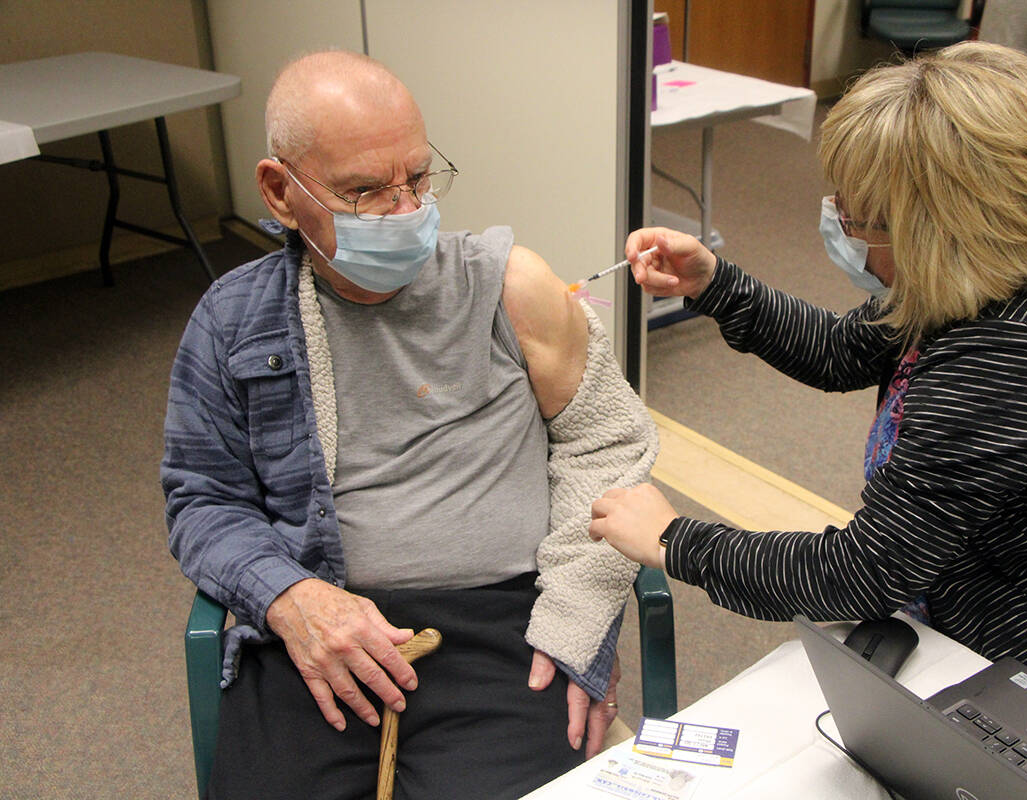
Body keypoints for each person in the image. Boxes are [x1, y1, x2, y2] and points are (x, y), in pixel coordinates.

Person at [590, 42, 1027, 766]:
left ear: (943, 228)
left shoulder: (1011, 357)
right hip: (987, 610)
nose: (843, 229)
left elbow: (862, 572)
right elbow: (843, 350)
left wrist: (674, 540)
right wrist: (716, 284)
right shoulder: (991, 274)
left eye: (862, 221)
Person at [162, 50, 657, 799]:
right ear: (281, 190)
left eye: (419, 180)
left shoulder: (511, 287)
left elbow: (607, 442)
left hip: (506, 628)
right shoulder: (234, 322)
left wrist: (579, 620)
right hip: (320, 622)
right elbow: (202, 499)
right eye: (365, 192)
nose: (406, 212)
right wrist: (289, 599)